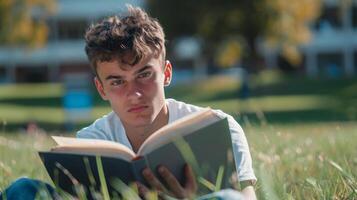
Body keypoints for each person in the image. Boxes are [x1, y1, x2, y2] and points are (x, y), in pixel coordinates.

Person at [0, 5, 256, 200]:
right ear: (101, 88)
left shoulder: (218, 127)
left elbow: (246, 196)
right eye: (117, 82)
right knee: (24, 189)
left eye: (144, 75)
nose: (134, 93)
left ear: (166, 73)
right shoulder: (90, 142)